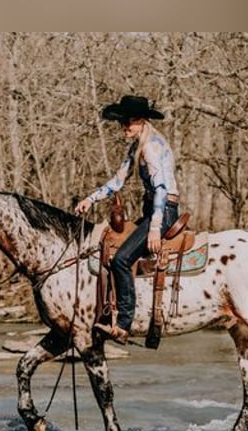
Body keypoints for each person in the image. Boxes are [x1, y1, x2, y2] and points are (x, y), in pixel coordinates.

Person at [75, 95, 180, 345]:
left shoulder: (152, 147)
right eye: (122, 123)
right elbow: (118, 181)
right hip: (153, 208)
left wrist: (155, 228)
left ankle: (124, 323)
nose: (124, 128)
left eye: (128, 123)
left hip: (164, 210)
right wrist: (91, 199)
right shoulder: (138, 145)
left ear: (141, 121)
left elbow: (162, 188)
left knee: (122, 259)